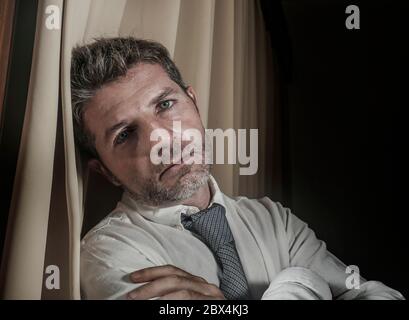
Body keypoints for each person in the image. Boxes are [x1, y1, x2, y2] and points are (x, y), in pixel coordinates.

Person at [71, 37, 404, 300]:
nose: (160, 139)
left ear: (194, 102)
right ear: (106, 172)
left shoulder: (275, 221)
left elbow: (369, 293)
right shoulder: (109, 254)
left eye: (165, 105)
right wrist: (305, 284)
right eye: (125, 134)